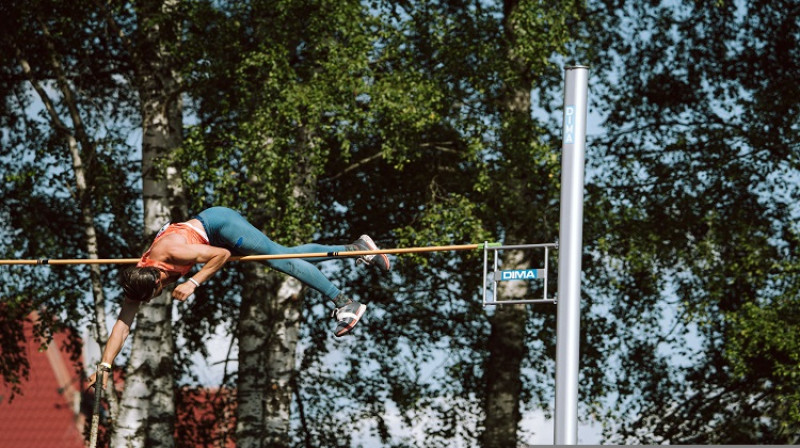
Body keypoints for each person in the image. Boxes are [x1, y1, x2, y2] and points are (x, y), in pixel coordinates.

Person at [87, 206, 389, 389]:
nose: (159, 295)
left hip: (219, 226)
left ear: (159, 275)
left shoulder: (174, 253)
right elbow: (123, 325)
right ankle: (357, 249)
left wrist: (193, 281)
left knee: (279, 261)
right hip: (209, 235)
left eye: (160, 289)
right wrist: (104, 365)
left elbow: (221, 255)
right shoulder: (138, 282)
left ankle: (343, 302)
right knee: (284, 255)